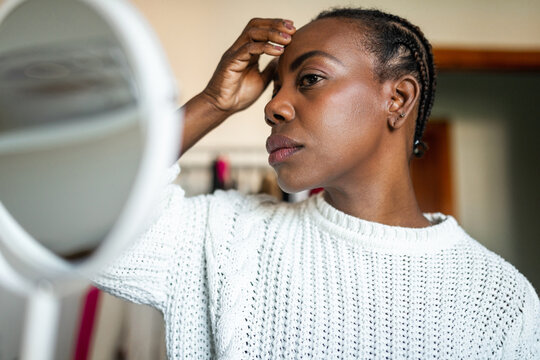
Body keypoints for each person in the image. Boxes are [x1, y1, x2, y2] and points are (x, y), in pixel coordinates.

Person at [95, 8, 540, 359]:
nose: (274, 109)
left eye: (310, 79)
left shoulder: (498, 299)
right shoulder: (225, 237)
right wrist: (214, 103)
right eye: (274, 91)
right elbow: (82, 219)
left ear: (398, 99)